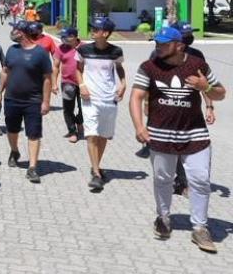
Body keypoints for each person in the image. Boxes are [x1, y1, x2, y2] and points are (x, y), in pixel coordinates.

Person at [129, 26, 226, 252]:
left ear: (179, 45)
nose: (158, 46)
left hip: (195, 134)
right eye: (157, 42)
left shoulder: (197, 65)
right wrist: (138, 126)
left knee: (200, 180)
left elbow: (220, 93)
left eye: (163, 43)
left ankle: (200, 228)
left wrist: (206, 87)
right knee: (163, 178)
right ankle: (163, 218)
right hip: (160, 134)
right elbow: (136, 97)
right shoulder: (149, 67)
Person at [75, 17, 125, 192]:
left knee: (103, 136)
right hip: (90, 98)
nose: (92, 31)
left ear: (105, 33)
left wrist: (123, 84)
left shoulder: (116, 51)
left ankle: (96, 164)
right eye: (92, 28)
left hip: (109, 98)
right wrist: (82, 85)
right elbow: (78, 68)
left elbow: (119, 68)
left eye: (96, 29)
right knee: (91, 135)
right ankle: (96, 174)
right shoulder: (83, 49)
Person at [0, 20, 52, 183]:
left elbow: (47, 79)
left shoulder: (40, 53)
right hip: (11, 99)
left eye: (15, 29)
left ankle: (32, 167)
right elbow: (5, 72)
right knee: (12, 130)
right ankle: (14, 151)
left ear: (22, 32)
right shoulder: (12, 50)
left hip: (33, 101)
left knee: (34, 134)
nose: (12, 32)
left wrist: (46, 101)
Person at [53, 27, 83, 143]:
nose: (62, 39)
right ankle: (72, 131)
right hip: (67, 82)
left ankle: (80, 122)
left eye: (65, 37)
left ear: (73, 37)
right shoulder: (61, 49)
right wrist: (54, 83)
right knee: (68, 108)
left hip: (84, 83)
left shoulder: (85, 48)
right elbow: (55, 66)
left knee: (84, 108)